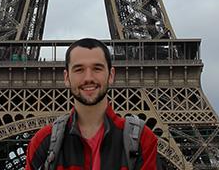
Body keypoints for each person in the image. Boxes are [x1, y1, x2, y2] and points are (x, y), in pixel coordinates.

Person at [25, 38, 158, 169]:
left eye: (97, 68)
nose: (88, 78)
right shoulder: (43, 142)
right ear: (66, 77)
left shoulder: (143, 140)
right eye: (79, 69)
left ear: (111, 75)